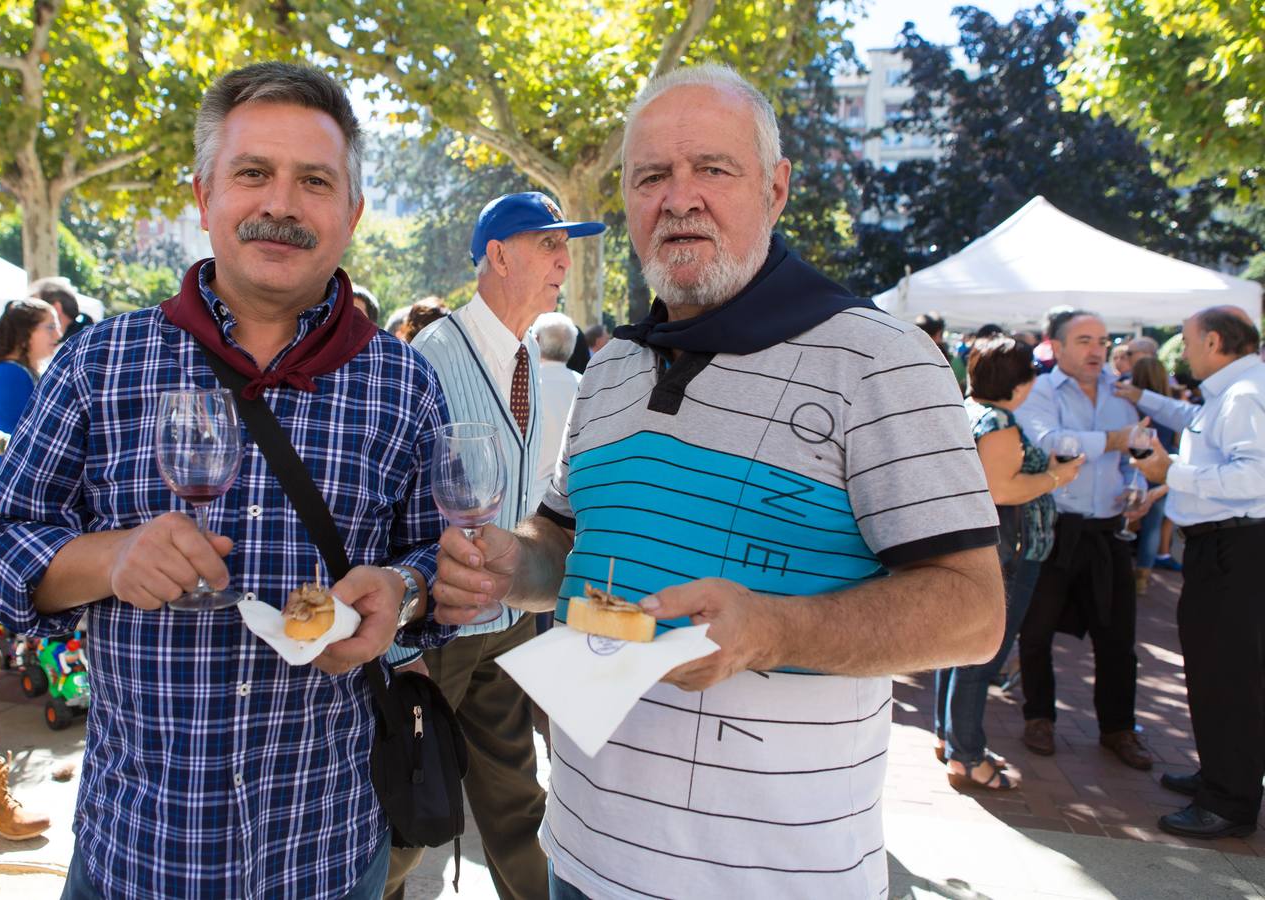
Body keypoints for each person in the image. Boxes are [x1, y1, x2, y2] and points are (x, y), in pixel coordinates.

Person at [430, 64, 1004, 898]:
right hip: (580, 860)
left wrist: (774, 630)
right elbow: (563, 541)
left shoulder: (881, 359)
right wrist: (510, 565)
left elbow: (975, 612)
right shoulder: (616, 364)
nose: (678, 197)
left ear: (775, 189)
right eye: (651, 176)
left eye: (713, 169)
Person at [0, 62, 457, 899]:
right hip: (137, 850)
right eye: (253, 173)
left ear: (353, 213)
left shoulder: (403, 384)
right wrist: (111, 559)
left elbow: (446, 562)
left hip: (329, 849)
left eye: (315, 181)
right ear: (205, 193)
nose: (282, 204)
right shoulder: (100, 363)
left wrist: (405, 594)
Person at [382, 192, 605, 900]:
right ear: (498, 256)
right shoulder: (432, 357)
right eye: (547, 244)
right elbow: (387, 502)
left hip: (507, 625)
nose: (564, 261)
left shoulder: (526, 358)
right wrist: (403, 647)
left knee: (518, 807)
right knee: (405, 822)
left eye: (566, 246)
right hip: (437, 631)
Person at [1115, 308, 1265, 839]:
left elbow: (1252, 475)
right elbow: (1200, 437)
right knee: (1215, 671)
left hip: (1234, 550)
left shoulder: (1246, 393)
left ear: (1215, 341)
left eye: (1189, 341)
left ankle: (1229, 800)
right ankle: (1223, 775)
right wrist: (1168, 482)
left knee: (1227, 676)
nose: (1182, 352)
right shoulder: (1235, 389)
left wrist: (1170, 472)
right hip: (1224, 547)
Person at [934, 336, 1084, 791]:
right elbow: (1002, 491)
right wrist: (1058, 476)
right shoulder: (999, 423)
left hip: (982, 546)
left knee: (958, 647)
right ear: (1020, 384)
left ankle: (951, 738)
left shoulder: (970, 409)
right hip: (1007, 553)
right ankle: (966, 754)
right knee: (983, 652)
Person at [1014, 309, 1154, 770]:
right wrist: (1114, 440)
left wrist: (1142, 488)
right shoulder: (1041, 391)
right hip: (1056, 529)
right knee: (1035, 633)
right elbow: (1054, 443)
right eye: (1085, 340)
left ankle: (1118, 728)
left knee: (1118, 638)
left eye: (1103, 340)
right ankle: (1039, 717)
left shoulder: (1122, 396)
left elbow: (1138, 453)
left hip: (1107, 531)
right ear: (1055, 347)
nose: (1098, 350)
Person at [0, 298, 61, 469]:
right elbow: (11, 441)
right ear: (24, 332)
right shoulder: (9, 375)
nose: (58, 335)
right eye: (50, 327)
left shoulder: (18, 371)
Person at [1125, 356, 1177, 590]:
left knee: (1125, 520)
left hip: (1135, 468)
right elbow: (1177, 441)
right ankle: (1142, 578)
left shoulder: (1129, 405)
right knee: (1152, 525)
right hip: (1162, 470)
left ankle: (1124, 574)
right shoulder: (1172, 406)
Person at [533, 312, 582, 487]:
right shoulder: (586, 384)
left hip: (532, 497)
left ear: (536, 340)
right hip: (574, 495)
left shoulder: (526, 384)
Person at [30, 278, 93, 344]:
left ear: (55, 308)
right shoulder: (85, 336)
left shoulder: (71, 347)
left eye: (36, 307)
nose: (30, 315)